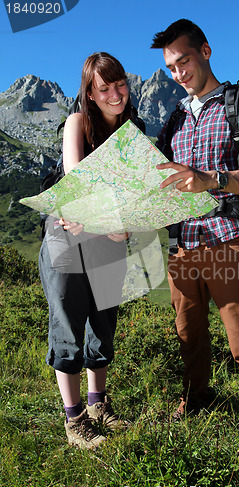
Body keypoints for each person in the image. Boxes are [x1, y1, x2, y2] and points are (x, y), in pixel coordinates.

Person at [151, 19, 239, 487]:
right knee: (189, 336)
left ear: (206, 51)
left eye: (184, 61)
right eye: (170, 67)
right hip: (183, 245)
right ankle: (198, 400)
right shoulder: (173, 116)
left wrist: (213, 180)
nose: (178, 73)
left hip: (228, 239)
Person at [39, 52, 145, 449]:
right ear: (90, 92)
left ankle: (99, 405)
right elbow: (77, 180)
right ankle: (75, 421)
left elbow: (138, 193)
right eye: (105, 88)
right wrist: (111, 226)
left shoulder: (134, 130)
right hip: (66, 238)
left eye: (120, 84)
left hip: (107, 237)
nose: (116, 94)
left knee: (103, 322)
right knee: (67, 324)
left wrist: (126, 225)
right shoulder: (77, 123)